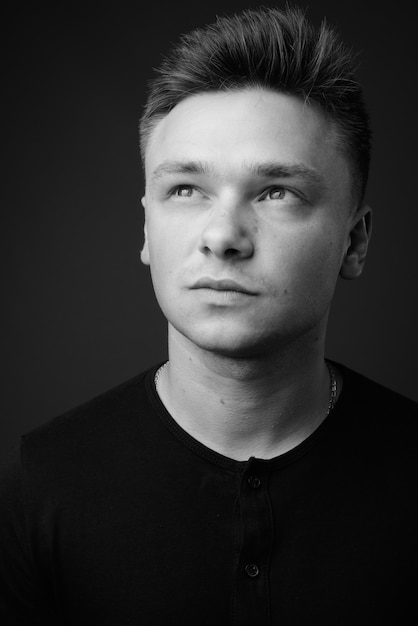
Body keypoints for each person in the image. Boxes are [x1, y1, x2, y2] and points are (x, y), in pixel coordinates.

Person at [1, 5, 417, 625]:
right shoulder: (40, 485)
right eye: (186, 189)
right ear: (146, 228)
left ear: (354, 242)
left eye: (277, 192)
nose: (223, 236)